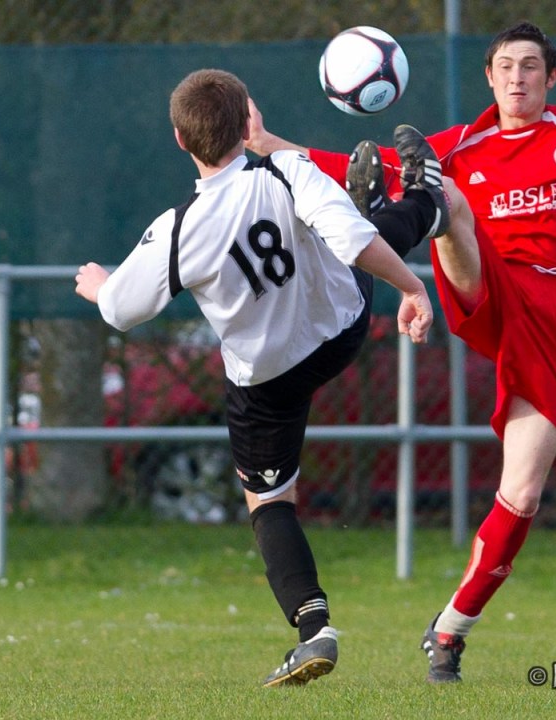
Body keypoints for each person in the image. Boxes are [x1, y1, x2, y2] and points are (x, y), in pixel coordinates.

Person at [244, 21, 556, 683]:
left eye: (530, 66)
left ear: (550, 77)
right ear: (489, 78)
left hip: (554, 318)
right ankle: (425, 214)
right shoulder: (465, 143)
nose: (518, 77)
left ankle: (449, 632)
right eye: (506, 67)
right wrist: (270, 145)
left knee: (522, 493)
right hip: (489, 289)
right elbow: (354, 161)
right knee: (448, 196)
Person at [74, 68, 455, 687]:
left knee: (271, 502)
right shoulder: (286, 169)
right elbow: (354, 242)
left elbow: (121, 310)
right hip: (341, 332)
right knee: (354, 234)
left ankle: (314, 631)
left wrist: (100, 287)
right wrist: (412, 287)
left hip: (267, 379)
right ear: (248, 123)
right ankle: (423, 203)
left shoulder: (178, 229)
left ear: (179, 139)